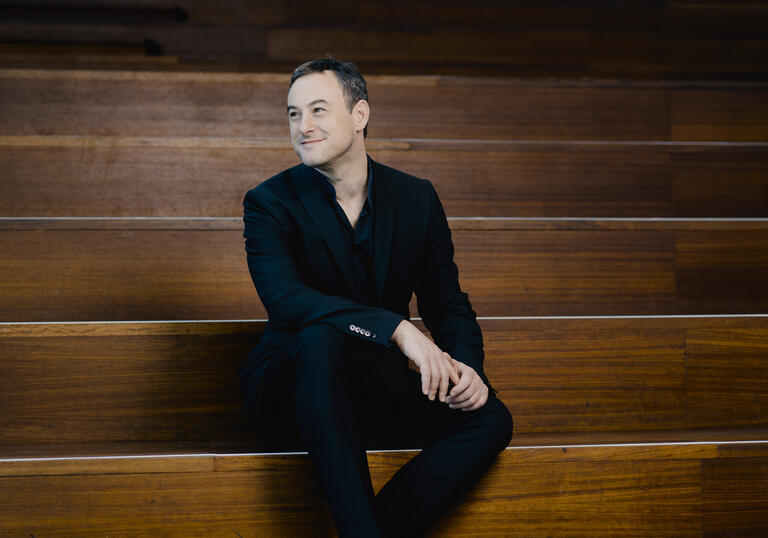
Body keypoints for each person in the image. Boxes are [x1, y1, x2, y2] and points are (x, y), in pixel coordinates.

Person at [239, 57, 513, 538]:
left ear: (359, 114)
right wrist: (397, 328)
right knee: (319, 341)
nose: (303, 126)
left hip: (373, 389)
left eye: (318, 110)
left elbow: (446, 303)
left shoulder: (416, 198)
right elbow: (289, 303)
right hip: (295, 394)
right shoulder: (268, 203)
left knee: (490, 417)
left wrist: (468, 368)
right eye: (293, 113)